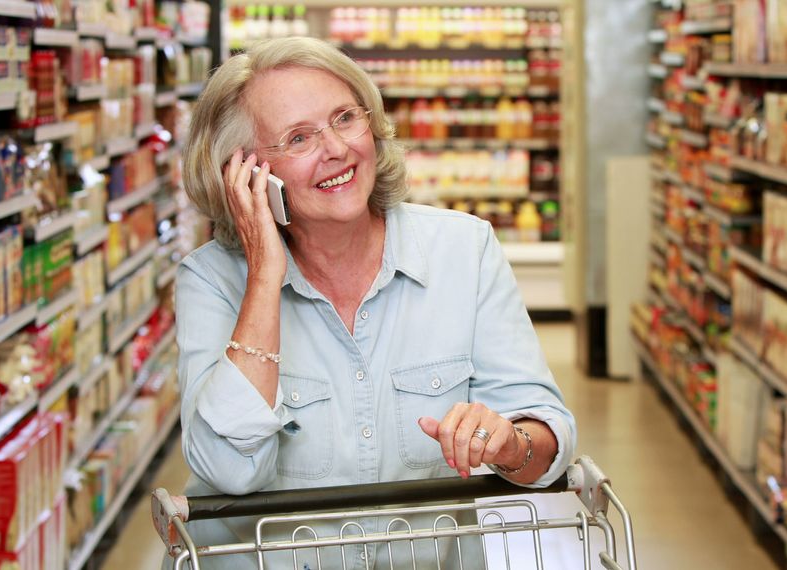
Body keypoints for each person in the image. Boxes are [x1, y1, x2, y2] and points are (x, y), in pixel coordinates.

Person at [173, 36, 577, 568]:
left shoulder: (464, 250)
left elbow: (548, 443)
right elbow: (227, 468)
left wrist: (509, 443)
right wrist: (264, 278)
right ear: (243, 173)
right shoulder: (210, 280)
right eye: (298, 137)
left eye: (345, 118)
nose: (336, 149)